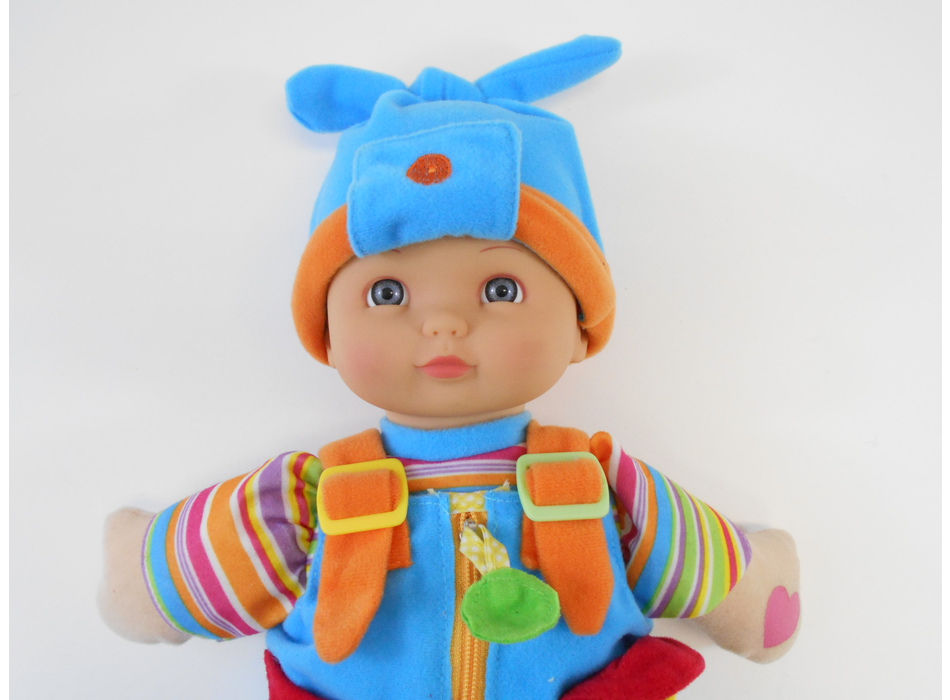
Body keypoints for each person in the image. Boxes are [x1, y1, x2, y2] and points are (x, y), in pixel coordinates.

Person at [99, 36, 800, 700]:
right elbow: (171, 583)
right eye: (387, 293)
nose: (443, 324)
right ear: (328, 338)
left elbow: (712, 573)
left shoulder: (603, 487)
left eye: (501, 290)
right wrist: (140, 569)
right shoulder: (310, 502)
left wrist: (758, 589)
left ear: (579, 330)